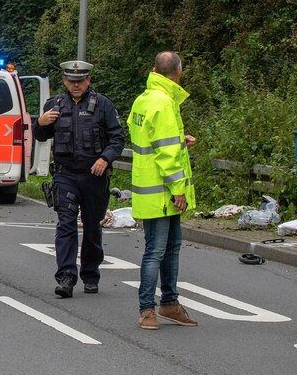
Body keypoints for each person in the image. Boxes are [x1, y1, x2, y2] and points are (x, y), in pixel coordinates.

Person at [33, 60, 124, 298]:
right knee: (66, 224)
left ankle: (91, 274)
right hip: (66, 176)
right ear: (64, 81)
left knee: (93, 227)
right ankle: (66, 277)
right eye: (71, 81)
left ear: (88, 81)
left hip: (94, 176)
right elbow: (40, 136)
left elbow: (118, 138)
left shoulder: (103, 105)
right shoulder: (54, 105)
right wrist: (39, 123)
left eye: (80, 81)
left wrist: (105, 158)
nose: (76, 85)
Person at [127, 51, 197, 330]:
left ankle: (169, 303)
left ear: (154, 70)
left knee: (168, 248)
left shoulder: (144, 99)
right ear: (178, 71)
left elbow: (150, 140)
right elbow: (166, 154)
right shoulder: (165, 103)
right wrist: (178, 189)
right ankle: (148, 309)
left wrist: (180, 140)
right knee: (158, 250)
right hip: (164, 191)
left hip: (148, 187)